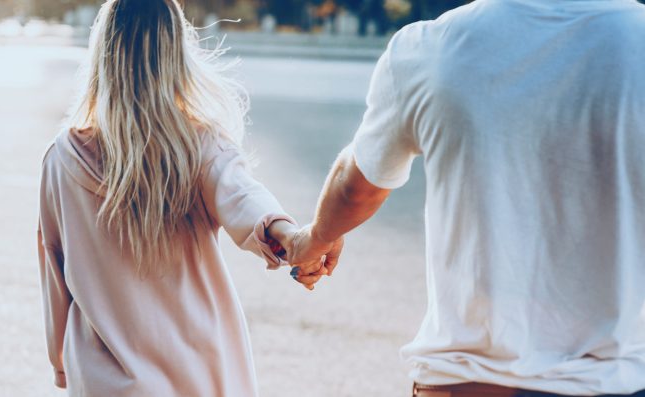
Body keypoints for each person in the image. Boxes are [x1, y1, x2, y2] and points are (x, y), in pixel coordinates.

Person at [290, 0, 645, 395]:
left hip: (470, 380)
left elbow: (356, 189)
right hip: (617, 379)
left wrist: (315, 239)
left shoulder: (430, 47)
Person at [36, 1, 324, 396]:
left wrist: (60, 364)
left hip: (102, 380)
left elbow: (55, 269)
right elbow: (243, 197)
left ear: (103, 52)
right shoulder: (197, 146)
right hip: (198, 373)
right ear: (177, 53)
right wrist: (291, 238)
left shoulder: (61, 160)